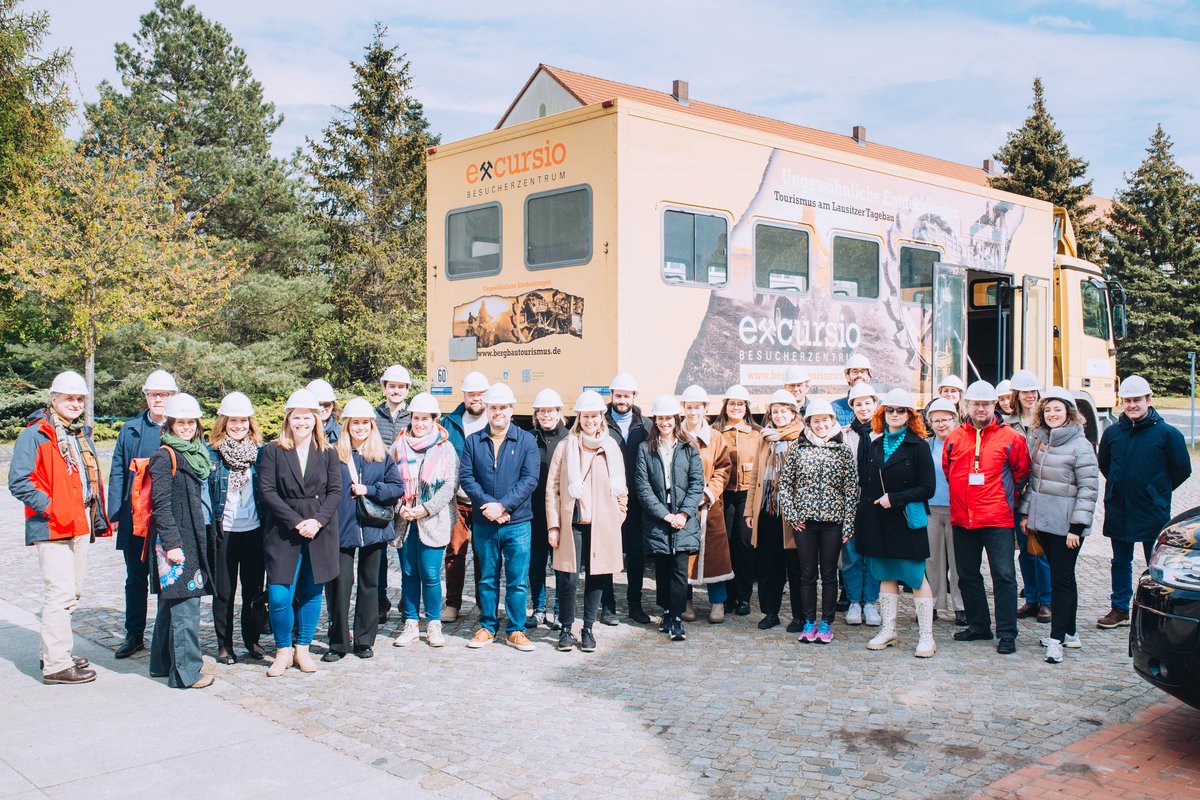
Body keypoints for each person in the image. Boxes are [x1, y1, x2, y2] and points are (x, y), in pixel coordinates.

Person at [9, 371, 110, 685]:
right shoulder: (36, 434)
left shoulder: (79, 434)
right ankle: (56, 666)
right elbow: (19, 481)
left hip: (78, 521)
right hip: (53, 525)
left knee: (71, 594)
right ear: (54, 399)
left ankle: (52, 653)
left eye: (80, 399)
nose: (75, 404)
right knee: (60, 594)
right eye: (69, 398)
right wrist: (52, 508)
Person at [257, 389, 343, 676]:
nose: (302, 422)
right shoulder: (273, 450)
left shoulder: (328, 452)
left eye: (307, 417)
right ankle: (283, 649)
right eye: (297, 417)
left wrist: (317, 521)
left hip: (319, 530)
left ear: (316, 419)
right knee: (280, 594)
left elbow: (335, 491)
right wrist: (295, 521)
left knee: (311, 592)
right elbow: (267, 490)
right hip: (283, 529)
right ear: (288, 419)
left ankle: (302, 648)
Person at [1096, 375, 1192, 629]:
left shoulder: (1167, 434)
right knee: (1120, 561)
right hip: (1119, 507)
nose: (1132, 405)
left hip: (1153, 509)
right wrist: (1121, 488)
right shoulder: (1113, 433)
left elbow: (1182, 469)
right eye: (1127, 400)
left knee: (1155, 563)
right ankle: (1119, 609)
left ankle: (1156, 611)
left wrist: (1155, 491)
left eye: (1137, 400)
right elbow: (1104, 464)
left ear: (1148, 400)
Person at [944, 380, 1031, 655]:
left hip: (997, 518)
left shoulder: (1011, 438)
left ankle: (1007, 632)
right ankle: (979, 624)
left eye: (986, 404)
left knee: (1003, 576)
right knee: (967, 575)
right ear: (967, 406)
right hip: (963, 518)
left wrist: (1003, 499)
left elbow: (1021, 474)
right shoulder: (955, 436)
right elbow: (949, 471)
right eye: (975, 404)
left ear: (994, 405)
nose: (980, 408)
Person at [1018, 387, 1099, 663]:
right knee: (1064, 579)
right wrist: (1027, 514)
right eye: (1048, 409)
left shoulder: (1081, 445)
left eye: (1058, 409)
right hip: (1044, 524)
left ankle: (1056, 640)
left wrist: (1077, 527)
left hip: (1067, 529)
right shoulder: (1043, 441)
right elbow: (1034, 484)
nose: (1053, 414)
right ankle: (1070, 633)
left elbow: (1089, 489)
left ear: (1069, 413)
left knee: (1060, 582)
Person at [459, 382, 540, 651]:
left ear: (511, 409)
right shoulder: (473, 441)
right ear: (487, 410)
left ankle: (515, 630)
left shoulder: (526, 440)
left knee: (517, 580)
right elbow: (467, 479)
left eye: (503, 407)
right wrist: (489, 507)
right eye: (494, 407)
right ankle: (488, 626)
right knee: (487, 577)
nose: (498, 412)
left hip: (517, 523)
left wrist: (504, 507)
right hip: (485, 523)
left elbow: (530, 480)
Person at [856, 389, 938, 657]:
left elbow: (928, 488)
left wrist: (897, 498)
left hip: (905, 520)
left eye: (900, 410)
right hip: (879, 520)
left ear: (910, 415)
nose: (894, 414)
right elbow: (867, 484)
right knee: (885, 575)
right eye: (890, 410)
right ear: (883, 413)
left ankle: (927, 637)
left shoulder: (919, 446)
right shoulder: (876, 443)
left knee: (916, 577)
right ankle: (888, 630)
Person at [546, 391, 628, 652]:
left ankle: (589, 628)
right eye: (586, 416)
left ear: (601, 417)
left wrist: (618, 515)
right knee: (568, 578)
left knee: (597, 576)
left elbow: (621, 488)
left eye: (594, 416)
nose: (590, 421)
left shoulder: (610, 446)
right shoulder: (566, 445)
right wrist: (554, 525)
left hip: (602, 523)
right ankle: (567, 628)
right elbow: (553, 488)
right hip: (572, 521)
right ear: (578, 418)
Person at [324, 398, 404, 661]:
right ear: (347, 425)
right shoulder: (333, 455)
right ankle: (337, 642)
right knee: (340, 585)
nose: (360, 428)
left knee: (370, 585)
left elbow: (396, 488)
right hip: (342, 528)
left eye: (365, 423)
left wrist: (369, 490)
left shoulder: (381, 455)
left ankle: (364, 640)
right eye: (355, 423)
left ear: (372, 425)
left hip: (373, 529)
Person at [146, 393, 216, 689]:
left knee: (169, 604)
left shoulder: (196, 451)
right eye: (180, 423)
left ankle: (160, 664)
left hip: (193, 537)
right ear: (170, 425)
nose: (186, 427)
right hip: (177, 543)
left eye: (191, 422)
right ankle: (187, 673)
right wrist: (173, 544)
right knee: (186, 606)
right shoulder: (165, 455)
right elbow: (160, 504)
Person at [108, 369, 178, 660]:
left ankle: (169, 638)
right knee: (135, 578)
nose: (159, 399)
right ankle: (134, 634)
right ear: (146, 395)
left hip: (169, 518)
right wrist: (113, 512)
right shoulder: (131, 429)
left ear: (174, 396)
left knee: (169, 579)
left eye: (164, 395)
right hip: (135, 517)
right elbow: (117, 470)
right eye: (154, 394)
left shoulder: (182, 426)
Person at [777, 399, 859, 644]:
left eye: (825, 420)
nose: (821, 425)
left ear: (833, 421)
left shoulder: (842, 450)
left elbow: (851, 489)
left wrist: (848, 524)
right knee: (807, 574)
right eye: (816, 421)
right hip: (805, 523)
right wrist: (792, 516)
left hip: (833, 522)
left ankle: (827, 624)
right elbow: (785, 485)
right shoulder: (798, 449)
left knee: (830, 573)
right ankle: (809, 621)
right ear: (808, 423)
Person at [634, 394, 706, 642]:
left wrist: (684, 513)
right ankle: (666, 610)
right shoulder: (646, 449)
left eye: (669, 418)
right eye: (660, 418)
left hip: (684, 516)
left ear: (676, 419)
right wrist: (665, 515)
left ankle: (676, 615)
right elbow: (642, 488)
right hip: (659, 516)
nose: (665, 423)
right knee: (662, 568)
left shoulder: (689, 447)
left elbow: (697, 483)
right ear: (655, 421)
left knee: (679, 569)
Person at [392, 393, 459, 648]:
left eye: (425, 419)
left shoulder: (445, 448)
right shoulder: (399, 445)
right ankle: (410, 622)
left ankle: (433, 623)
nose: (420, 423)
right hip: (405, 519)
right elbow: (391, 480)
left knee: (430, 574)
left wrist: (425, 509)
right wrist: (401, 507)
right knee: (408, 573)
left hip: (433, 520)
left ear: (434, 420)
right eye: (416, 418)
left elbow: (450, 485)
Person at [207, 392, 266, 664]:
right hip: (225, 530)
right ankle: (224, 644)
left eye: (243, 420)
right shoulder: (212, 455)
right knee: (224, 592)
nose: (238, 425)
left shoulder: (261, 454)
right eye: (233, 420)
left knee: (253, 590)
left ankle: (252, 639)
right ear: (223, 422)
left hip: (254, 530)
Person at [745, 390, 806, 631]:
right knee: (768, 564)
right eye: (775, 411)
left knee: (797, 565)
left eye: (784, 411)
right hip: (767, 509)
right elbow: (755, 477)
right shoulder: (765, 438)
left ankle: (800, 615)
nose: (779, 416)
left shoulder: (802, 437)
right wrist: (750, 510)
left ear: (793, 413)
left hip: (791, 511)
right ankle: (770, 612)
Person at [680, 385, 734, 624]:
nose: (693, 412)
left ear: (705, 409)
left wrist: (708, 493)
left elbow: (723, 468)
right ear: (683, 409)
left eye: (697, 407)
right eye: (689, 407)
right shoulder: (676, 435)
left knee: (715, 555)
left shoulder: (716, 438)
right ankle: (686, 602)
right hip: (682, 507)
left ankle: (717, 603)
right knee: (683, 555)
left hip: (709, 508)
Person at [440, 370, 490, 623]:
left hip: (484, 503)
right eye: (472, 394)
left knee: (484, 554)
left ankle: (484, 604)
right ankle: (452, 604)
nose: (476, 398)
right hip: (456, 501)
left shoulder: (494, 421)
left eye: (480, 393)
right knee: (455, 553)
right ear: (464, 395)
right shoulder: (450, 423)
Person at [605, 372, 653, 624]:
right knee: (607, 553)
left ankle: (635, 604)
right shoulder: (599, 422)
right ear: (611, 395)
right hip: (607, 500)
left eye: (627, 395)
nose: (622, 399)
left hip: (636, 501)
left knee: (635, 555)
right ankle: (608, 605)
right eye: (618, 395)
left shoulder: (646, 426)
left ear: (635, 397)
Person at [1007, 369, 1052, 624]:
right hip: (1019, 493)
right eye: (1025, 392)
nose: (1030, 396)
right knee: (1025, 550)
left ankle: (1047, 601)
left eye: (1033, 391)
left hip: (1042, 493)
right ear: (1017, 395)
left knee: (1041, 549)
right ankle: (1032, 598)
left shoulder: (1046, 422)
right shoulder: (1009, 423)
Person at [713, 384, 761, 616]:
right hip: (723, 494)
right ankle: (728, 596)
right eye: (732, 403)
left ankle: (744, 597)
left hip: (746, 494)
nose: (736, 408)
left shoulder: (757, 433)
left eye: (740, 404)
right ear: (725, 406)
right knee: (725, 545)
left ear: (746, 408)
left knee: (743, 545)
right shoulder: (715, 431)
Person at [840, 383, 881, 626]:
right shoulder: (846, 434)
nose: (863, 408)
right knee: (852, 554)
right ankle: (854, 601)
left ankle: (871, 602)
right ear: (852, 408)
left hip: (876, 502)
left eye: (867, 403)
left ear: (875, 405)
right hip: (852, 501)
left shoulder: (883, 433)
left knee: (873, 555)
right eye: (858, 404)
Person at [374, 365, 412, 624]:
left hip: (406, 494)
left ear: (407, 390)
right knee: (377, 555)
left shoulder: (414, 416)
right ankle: (379, 602)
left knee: (405, 552)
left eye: (401, 387)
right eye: (392, 386)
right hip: (378, 492)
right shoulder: (373, 415)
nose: (396, 391)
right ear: (384, 387)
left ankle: (407, 600)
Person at [528, 388, 569, 629]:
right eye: (541, 411)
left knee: (561, 565)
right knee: (535, 564)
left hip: (560, 511)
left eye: (550, 410)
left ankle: (558, 610)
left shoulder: (569, 438)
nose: (546, 415)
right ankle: (538, 607)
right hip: (533, 510)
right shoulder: (528, 437)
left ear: (558, 412)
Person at [925, 398, 966, 626]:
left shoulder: (964, 442)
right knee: (932, 559)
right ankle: (932, 603)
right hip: (931, 507)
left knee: (959, 559)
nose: (941, 424)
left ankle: (961, 605)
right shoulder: (927, 445)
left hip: (957, 508)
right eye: (936, 420)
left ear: (955, 420)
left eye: (946, 420)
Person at [831, 354, 872, 426]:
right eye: (855, 371)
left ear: (869, 376)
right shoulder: (835, 408)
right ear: (847, 377)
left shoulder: (880, 407)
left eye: (863, 371)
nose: (859, 375)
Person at [306, 379, 340, 445]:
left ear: (332, 405)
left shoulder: (342, 433)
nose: (322, 409)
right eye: (317, 405)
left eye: (326, 404)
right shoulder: (298, 433)